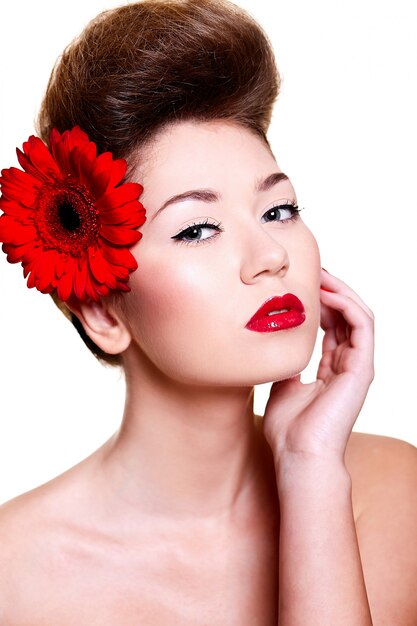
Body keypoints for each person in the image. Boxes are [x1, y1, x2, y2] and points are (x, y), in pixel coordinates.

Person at [0, 0, 416, 623]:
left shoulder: (400, 498)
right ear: (104, 313)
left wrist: (310, 474)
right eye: (198, 229)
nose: (271, 256)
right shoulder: (16, 577)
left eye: (278, 211)